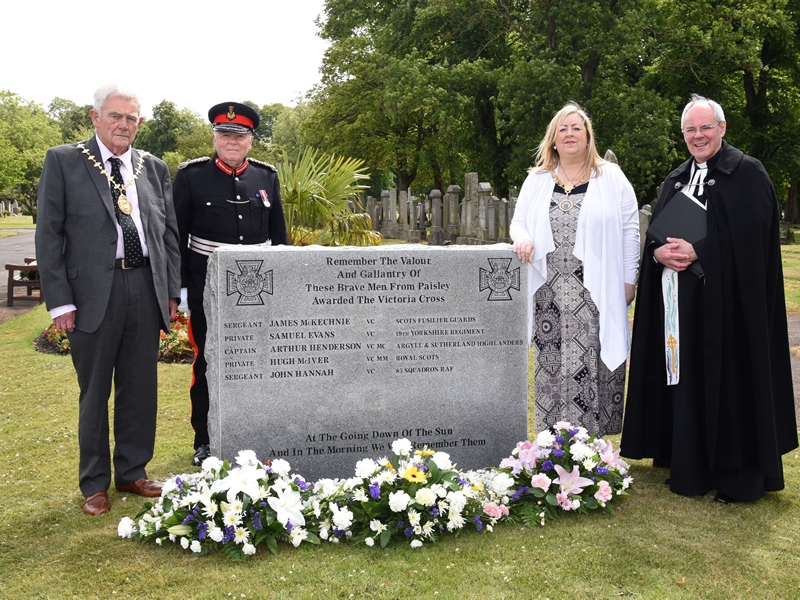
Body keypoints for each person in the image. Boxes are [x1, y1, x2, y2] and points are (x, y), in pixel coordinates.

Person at [621, 94, 797, 503]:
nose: (698, 136)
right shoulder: (677, 178)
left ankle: (735, 474)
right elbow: (656, 237)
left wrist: (703, 250)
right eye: (690, 130)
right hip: (681, 310)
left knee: (728, 381)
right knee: (687, 379)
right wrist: (657, 253)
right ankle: (689, 466)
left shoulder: (747, 173)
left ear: (721, 129)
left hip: (729, 311)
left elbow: (755, 242)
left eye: (705, 128)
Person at [36, 84, 181, 515]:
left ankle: (133, 472)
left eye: (131, 118)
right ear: (95, 117)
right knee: (94, 390)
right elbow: (49, 234)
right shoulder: (64, 160)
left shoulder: (152, 167)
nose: (123, 125)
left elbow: (166, 234)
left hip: (143, 286)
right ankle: (94, 483)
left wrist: (171, 291)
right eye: (115, 116)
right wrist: (60, 301)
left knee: (140, 387)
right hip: (92, 293)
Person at [510, 102, 639, 436]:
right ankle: (552, 443)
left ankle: (591, 445)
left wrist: (629, 279)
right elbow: (519, 223)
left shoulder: (610, 176)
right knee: (551, 362)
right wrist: (522, 239)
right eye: (562, 129)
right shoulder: (537, 179)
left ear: (588, 136)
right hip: (549, 290)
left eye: (576, 128)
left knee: (592, 361)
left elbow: (630, 229)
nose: (569, 134)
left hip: (596, 287)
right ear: (553, 139)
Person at [174, 102, 288, 466]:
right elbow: (176, 237)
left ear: (250, 141)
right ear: (215, 138)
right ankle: (204, 440)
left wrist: (284, 287)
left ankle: (258, 431)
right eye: (225, 135)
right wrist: (180, 291)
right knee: (206, 364)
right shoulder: (191, 177)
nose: (232, 142)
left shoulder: (266, 177)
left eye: (239, 136)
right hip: (205, 288)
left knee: (263, 362)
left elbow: (278, 237)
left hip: (259, 292)